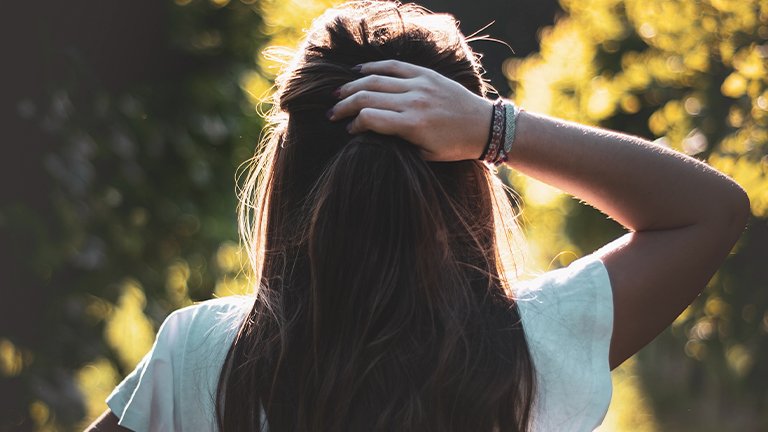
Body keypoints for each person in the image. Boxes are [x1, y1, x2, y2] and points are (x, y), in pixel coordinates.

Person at [86, 1, 750, 431]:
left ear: (286, 170)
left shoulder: (197, 353)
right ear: (466, 178)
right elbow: (712, 210)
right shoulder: (531, 344)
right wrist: (495, 129)